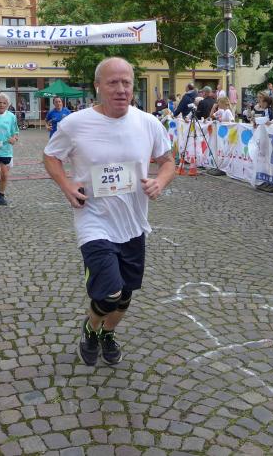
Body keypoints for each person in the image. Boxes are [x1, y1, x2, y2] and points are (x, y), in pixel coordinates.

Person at [43, 57, 175, 366]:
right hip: (94, 220)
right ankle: (91, 329)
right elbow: (50, 156)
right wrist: (66, 185)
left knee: (125, 297)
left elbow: (168, 161)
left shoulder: (148, 123)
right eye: (113, 82)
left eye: (126, 82)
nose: (121, 89)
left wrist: (160, 181)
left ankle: (106, 333)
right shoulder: (75, 124)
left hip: (133, 224)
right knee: (110, 292)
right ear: (98, 86)